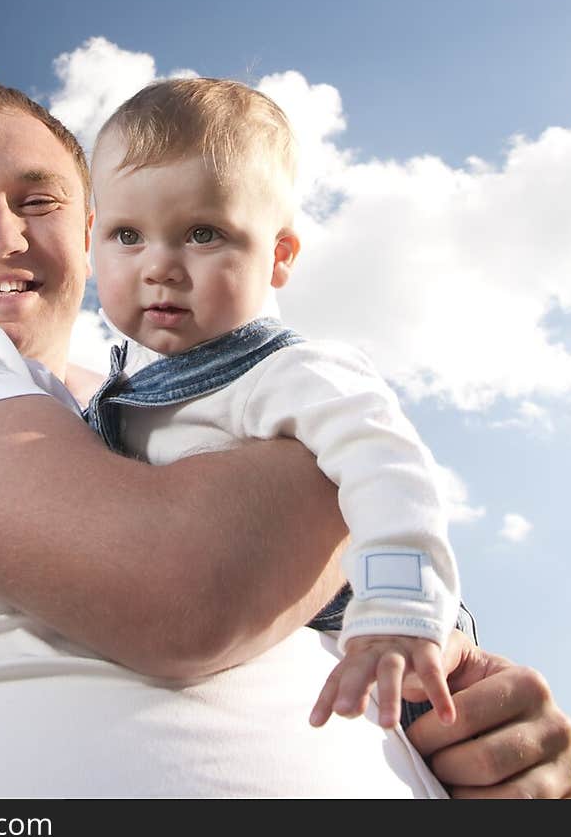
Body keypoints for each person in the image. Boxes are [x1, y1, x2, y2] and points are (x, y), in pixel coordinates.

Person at [0, 80, 571, 798]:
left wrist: (470, 686)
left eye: (40, 202)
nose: (0, 236)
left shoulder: (158, 401)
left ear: (90, 228)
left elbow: (331, 580)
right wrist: (345, 446)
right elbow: (186, 590)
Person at [87, 76, 458, 731]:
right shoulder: (112, 395)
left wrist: (398, 608)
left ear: (279, 254)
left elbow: (389, 468)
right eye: (126, 235)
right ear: (92, 239)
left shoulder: (290, 372)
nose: (160, 266)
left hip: (374, 638)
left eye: (202, 233)